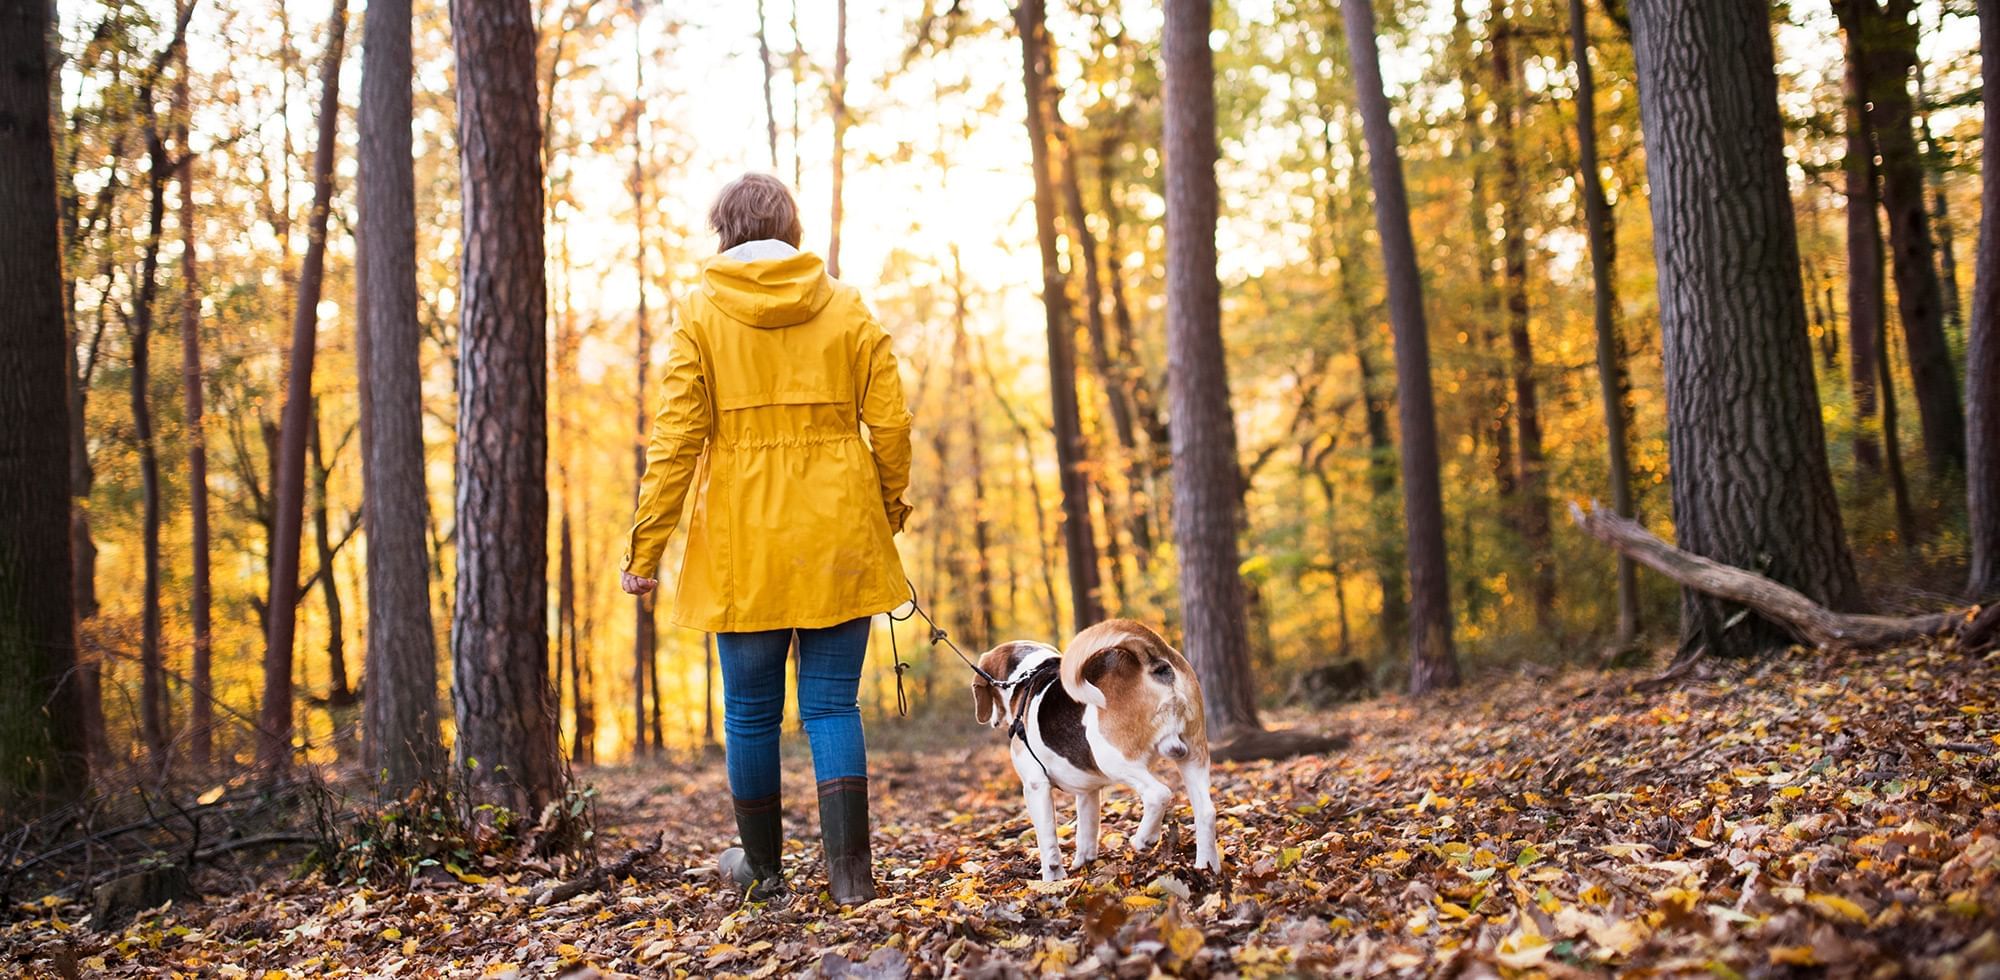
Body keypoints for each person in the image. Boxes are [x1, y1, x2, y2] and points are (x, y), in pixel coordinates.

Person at [620, 173, 913, 906]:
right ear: (791, 226)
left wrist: (646, 550)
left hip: (741, 544)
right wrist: (886, 507)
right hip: (840, 532)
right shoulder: (845, 306)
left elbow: (677, 441)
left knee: (751, 714)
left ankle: (764, 872)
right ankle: (851, 876)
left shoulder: (700, 312)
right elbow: (894, 425)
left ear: (724, 230)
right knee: (832, 708)